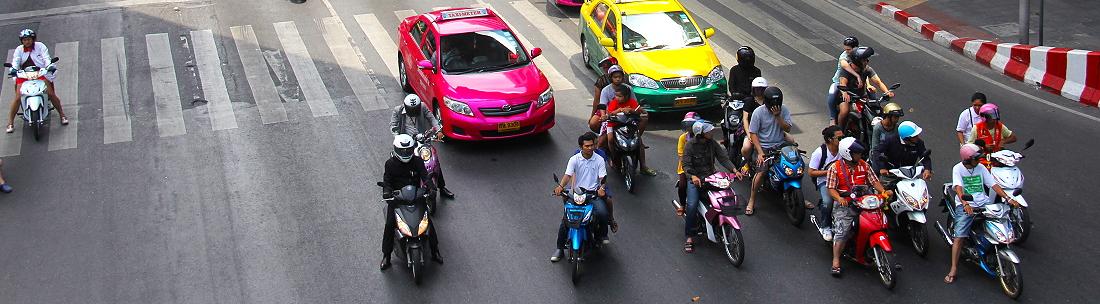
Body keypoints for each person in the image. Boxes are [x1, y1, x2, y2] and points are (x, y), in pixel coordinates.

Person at [944, 144, 1019, 284]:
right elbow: (959, 187)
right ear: (967, 159)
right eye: (976, 158)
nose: (979, 160)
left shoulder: (981, 168)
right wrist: (965, 204)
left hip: (983, 203)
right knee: (959, 237)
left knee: (1000, 219)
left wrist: (1008, 198)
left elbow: (993, 184)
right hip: (966, 205)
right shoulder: (958, 169)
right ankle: (953, 268)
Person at [827, 137, 891, 276]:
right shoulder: (835, 168)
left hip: (865, 201)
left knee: (880, 222)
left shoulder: (864, 165)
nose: (859, 155)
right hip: (846, 203)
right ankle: (836, 260)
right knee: (842, 232)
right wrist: (839, 198)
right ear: (847, 153)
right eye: (856, 153)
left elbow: (874, 182)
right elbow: (831, 189)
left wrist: (883, 192)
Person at [380, 134, 442, 270]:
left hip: (416, 197)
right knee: (390, 224)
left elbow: (425, 176)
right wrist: (387, 192)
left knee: (428, 223)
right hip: (397, 199)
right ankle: (386, 256)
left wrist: (431, 188)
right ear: (396, 150)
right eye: (402, 151)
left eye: (408, 150)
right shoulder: (390, 164)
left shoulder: (418, 161)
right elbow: (387, 181)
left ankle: (435, 251)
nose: (405, 153)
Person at [682, 121, 744, 253]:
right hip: (696, 179)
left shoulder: (712, 143)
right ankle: (689, 237)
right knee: (692, 205)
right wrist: (693, 177)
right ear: (701, 133)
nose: (712, 132)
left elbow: (723, 158)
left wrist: (734, 170)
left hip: (712, 177)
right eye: (709, 131)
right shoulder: (690, 146)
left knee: (726, 196)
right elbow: (686, 165)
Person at [551, 132, 610, 262]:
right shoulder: (574, 159)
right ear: (581, 146)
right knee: (566, 221)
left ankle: (600, 236)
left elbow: (602, 178)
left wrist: (601, 188)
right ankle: (559, 248)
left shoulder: (599, 160)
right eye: (587, 146)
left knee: (602, 213)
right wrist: (560, 187)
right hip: (577, 194)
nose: (590, 148)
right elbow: (567, 175)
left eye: (592, 145)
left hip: (592, 194)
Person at [390, 94, 454, 198]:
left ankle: (442, 187)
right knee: (400, 163)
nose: (415, 112)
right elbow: (393, 126)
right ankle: (396, 189)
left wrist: (438, 130)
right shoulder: (397, 110)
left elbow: (432, 118)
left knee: (434, 160)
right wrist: (398, 138)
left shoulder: (423, 106)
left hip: (422, 139)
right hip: (406, 143)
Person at [7, 29, 68, 133]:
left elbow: (46, 58)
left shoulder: (40, 46)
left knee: (51, 94)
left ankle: (62, 114)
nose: (27, 42)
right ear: (22, 41)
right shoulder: (19, 50)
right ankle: (10, 122)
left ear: (33, 39)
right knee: (17, 97)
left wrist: (49, 66)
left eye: (29, 39)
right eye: (25, 40)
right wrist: (13, 69)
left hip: (39, 73)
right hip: (24, 75)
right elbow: (15, 62)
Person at [746, 86, 794, 215]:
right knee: (761, 171)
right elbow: (753, 133)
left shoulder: (784, 110)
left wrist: (778, 116)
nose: (775, 107)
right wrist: (760, 152)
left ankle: (797, 194)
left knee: (794, 165)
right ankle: (752, 200)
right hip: (764, 147)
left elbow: (787, 129)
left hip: (780, 144)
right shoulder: (758, 112)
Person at [835, 47, 895, 131]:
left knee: (878, 110)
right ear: (857, 61)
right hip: (847, 96)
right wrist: (845, 93)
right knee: (844, 111)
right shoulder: (846, 70)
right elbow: (842, 83)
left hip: (862, 97)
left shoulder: (867, 69)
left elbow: (878, 82)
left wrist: (887, 91)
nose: (866, 61)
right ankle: (839, 131)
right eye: (864, 60)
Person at [603, 84, 655, 175]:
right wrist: (620, 110)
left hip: (630, 125)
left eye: (620, 96)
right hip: (614, 124)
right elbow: (610, 113)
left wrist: (631, 110)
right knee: (610, 139)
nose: (617, 98)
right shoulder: (614, 102)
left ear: (627, 96)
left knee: (639, 143)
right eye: (616, 96)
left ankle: (643, 166)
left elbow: (637, 111)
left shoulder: (632, 102)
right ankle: (614, 157)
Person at [873, 121, 933, 187]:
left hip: (909, 174)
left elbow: (925, 156)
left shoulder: (919, 143)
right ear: (907, 138)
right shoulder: (890, 140)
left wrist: (927, 169)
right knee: (886, 194)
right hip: (891, 173)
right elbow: (876, 151)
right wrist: (882, 168)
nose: (917, 137)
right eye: (914, 136)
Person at [810, 126, 844, 241]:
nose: (842, 140)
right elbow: (811, 172)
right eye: (839, 138)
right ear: (830, 139)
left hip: (842, 179)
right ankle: (825, 226)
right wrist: (829, 171)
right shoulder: (819, 153)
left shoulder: (843, 149)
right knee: (828, 202)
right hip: (825, 181)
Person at [966, 103, 1017, 167]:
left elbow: (1013, 137)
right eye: (992, 116)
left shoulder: (999, 126)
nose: (994, 119)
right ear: (984, 117)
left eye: (995, 115)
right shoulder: (976, 128)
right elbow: (969, 148)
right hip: (982, 161)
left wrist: (1003, 141)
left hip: (998, 161)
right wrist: (983, 147)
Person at [827, 36, 863, 125]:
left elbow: (865, 70)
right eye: (846, 49)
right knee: (832, 95)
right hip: (840, 81)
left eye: (849, 49)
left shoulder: (859, 55)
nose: (847, 51)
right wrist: (857, 75)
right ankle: (832, 117)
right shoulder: (844, 56)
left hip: (855, 82)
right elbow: (844, 65)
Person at [736, 77, 769, 171]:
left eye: (761, 88)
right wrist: (749, 134)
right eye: (757, 88)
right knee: (746, 147)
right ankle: (746, 162)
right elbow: (745, 119)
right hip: (752, 130)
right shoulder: (750, 101)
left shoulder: (768, 101)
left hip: (766, 130)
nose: (759, 91)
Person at [675, 112, 700, 215]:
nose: (689, 128)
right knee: (682, 186)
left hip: (701, 166)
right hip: (685, 167)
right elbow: (681, 156)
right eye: (688, 125)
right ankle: (682, 205)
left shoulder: (702, 137)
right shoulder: (683, 138)